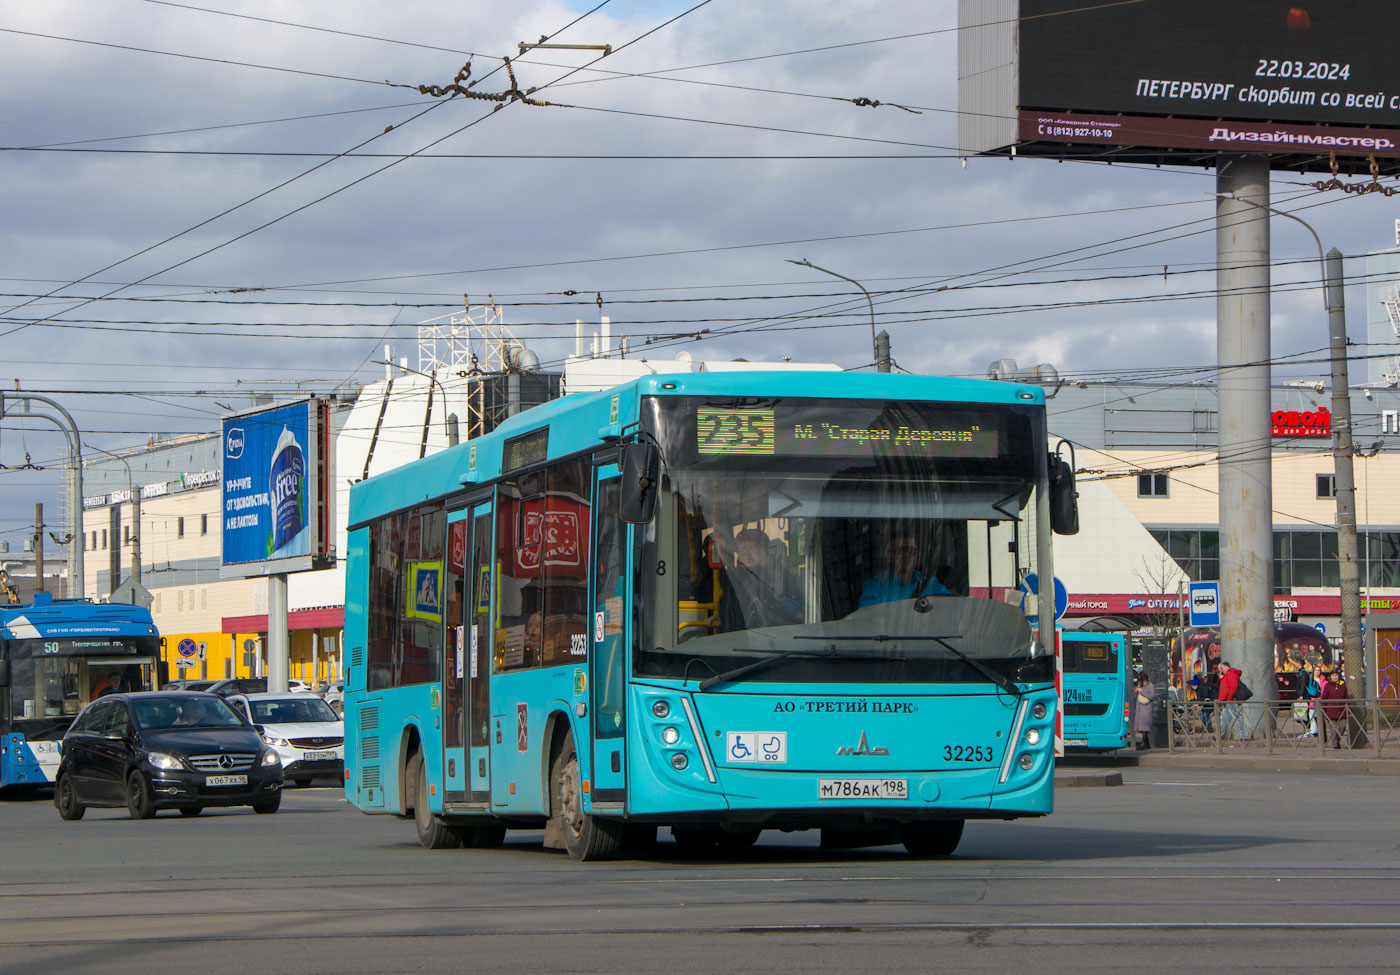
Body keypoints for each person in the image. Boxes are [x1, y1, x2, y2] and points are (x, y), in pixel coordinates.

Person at [717, 528, 800, 631]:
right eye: (741, 549)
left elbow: (798, 610)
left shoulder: (781, 576)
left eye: (751, 548)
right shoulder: (739, 578)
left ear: (765, 550)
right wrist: (723, 616)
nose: (746, 554)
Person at [859, 531, 950, 606]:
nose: (906, 555)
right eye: (900, 550)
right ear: (889, 556)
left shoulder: (931, 584)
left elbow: (951, 607)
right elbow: (867, 618)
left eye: (911, 551)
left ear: (916, 556)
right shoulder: (875, 586)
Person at [1217, 660, 1250, 741]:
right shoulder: (1228, 675)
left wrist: (1229, 699)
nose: (1221, 670)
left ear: (1226, 666)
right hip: (1227, 700)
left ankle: (1245, 735)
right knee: (1224, 718)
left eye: (1222, 668)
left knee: (1237, 716)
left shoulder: (1231, 673)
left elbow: (1233, 686)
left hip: (1230, 700)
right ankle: (1220, 734)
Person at [1320, 669, 1350, 749]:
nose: (1335, 677)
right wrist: (1323, 710)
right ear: (1330, 677)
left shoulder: (1342, 685)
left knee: (1343, 726)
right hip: (1330, 711)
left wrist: (1349, 710)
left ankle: (1337, 739)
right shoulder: (1328, 686)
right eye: (1333, 676)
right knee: (1332, 729)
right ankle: (1335, 744)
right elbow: (1324, 699)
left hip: (1341, 710)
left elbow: (1346, 698)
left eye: (1336, 675)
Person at [1134, 674, 1155, 750]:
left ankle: (1144, 743)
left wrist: (1141, 691)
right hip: (1140, 708)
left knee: (1145, 728)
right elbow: (1137, 696)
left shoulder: (1150, 685)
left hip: (1146, 708)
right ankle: (1146, 743)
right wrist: (1136, 691)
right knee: (1142, 728)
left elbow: (1151, 696)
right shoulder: (1140, 685)